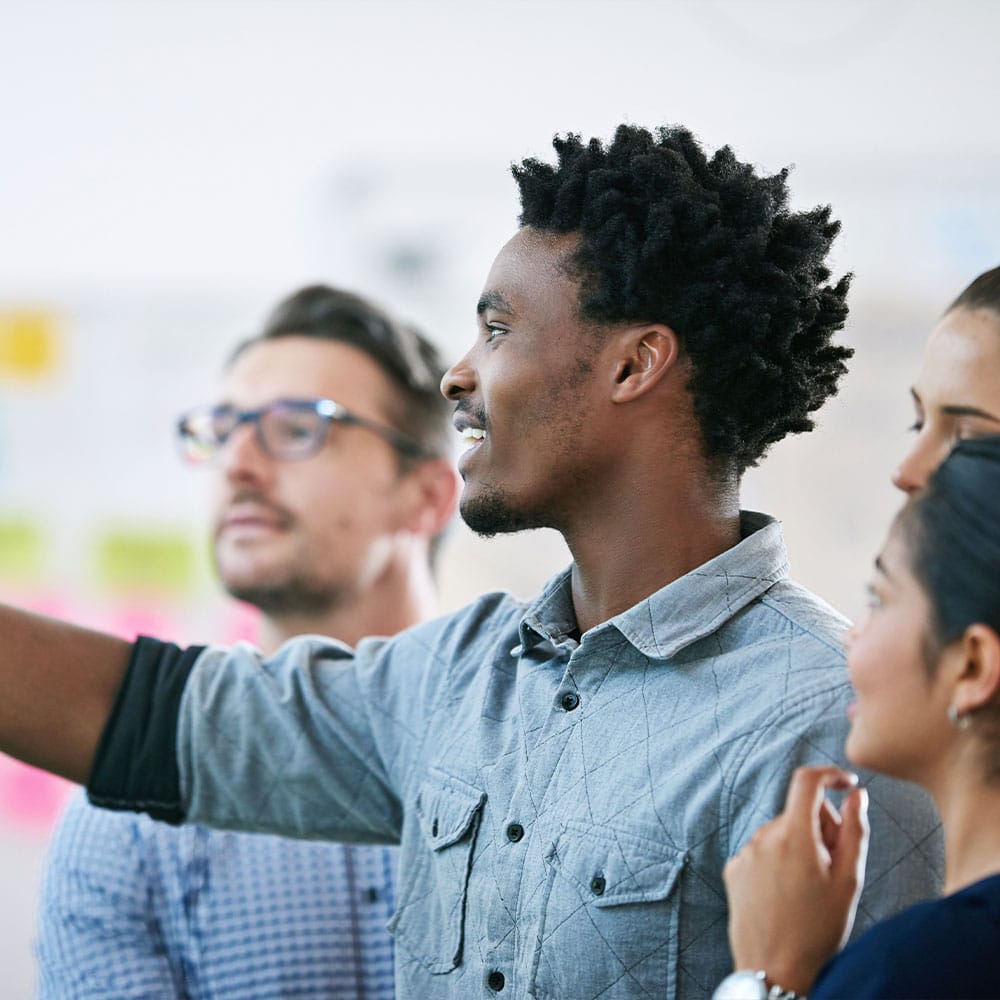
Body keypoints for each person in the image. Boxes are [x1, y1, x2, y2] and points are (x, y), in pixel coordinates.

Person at [0, 124, 943, 1000]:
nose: (457, 373)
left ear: (634, 366)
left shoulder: (827, 718)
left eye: (496, 330)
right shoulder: (460, 678)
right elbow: (156, 719)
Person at [33, 285, 459, 999]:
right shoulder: (128, 819)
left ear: (426, 496)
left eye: (298, 428)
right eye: (225, 429)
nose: (238, 464)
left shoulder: (532, 752)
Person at [718, 434, 1000, 999]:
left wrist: (766, 978)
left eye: (879, 598)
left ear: (971, 666)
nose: (851, 637)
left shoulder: (917, 970)